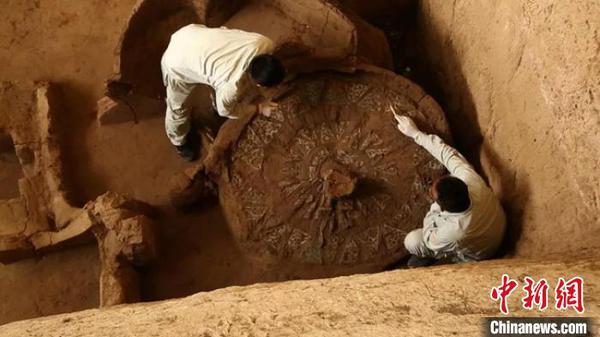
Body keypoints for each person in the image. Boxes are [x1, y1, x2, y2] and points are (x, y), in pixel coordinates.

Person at [392, 108, 506, 268]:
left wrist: (433, 211)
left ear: (442, 207)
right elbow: (447, 154)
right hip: (498, 223)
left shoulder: (454, 231)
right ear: (461, 184)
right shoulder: (471, 181)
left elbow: (430, 238)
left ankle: (440, 260)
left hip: (485, 251)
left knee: (412, 241)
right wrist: (415, 133)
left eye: (433, 195)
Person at [161, 24, 286, 161]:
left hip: (192, 33)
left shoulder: (264, 42)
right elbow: (225, 111)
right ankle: (179, 141)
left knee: (215, 77)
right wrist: (258, 108)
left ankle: (214, 100)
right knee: (178, 108)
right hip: (177, 62)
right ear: (258, 84)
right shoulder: (232, 86)